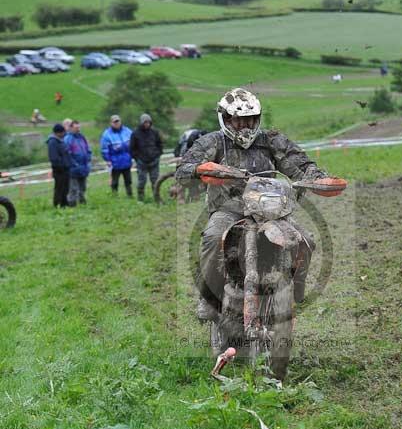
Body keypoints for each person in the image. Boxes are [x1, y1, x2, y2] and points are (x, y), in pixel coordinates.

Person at [175, 87, 345, 322]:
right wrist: (199, 169)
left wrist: (318, 179)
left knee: (306, 240)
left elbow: (300, 164)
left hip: (271, 210)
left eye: (251, 119)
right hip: (229, 209)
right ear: (226, 119)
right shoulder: (212, 142)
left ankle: (296, 290)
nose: (245, 125)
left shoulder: (272, 140)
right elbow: (183, 169)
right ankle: (209, 298)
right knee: (213, 239)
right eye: (239, 120)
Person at [130, 113, 163, 201]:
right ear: (141, 123)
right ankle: (141, 199)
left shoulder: (154, 132)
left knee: (155, 181)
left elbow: (160, 144)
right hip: (141, 162)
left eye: (148, 122)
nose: (147, 124)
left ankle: (157, 198)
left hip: (154, 161)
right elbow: (132, 148)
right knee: (142, 181)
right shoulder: (135, 133)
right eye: (145, 122)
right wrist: (137, 159)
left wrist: (158, 155)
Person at [100, 114, 133, 196]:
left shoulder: (127, 131)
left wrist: (133, 155)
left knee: (128, 181)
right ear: (111, 123)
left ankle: (130, 195)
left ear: (120, 121)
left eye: (118, 121)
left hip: (127, 161)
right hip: (115, 163)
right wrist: (108, 160)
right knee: (114, 182)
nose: (117, 123)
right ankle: (114, 196)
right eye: (115, 122)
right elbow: (104, 150)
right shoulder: (106, 134)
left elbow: (134, 143)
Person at [64, 120, 92, 206]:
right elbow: (67, 153)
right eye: (76, 127)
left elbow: (88, 149)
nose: (78, 129)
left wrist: (88, 159)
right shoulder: (68, 139)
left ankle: (82, 202)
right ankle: (72, 204)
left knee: (83, 187)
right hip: (74, 168)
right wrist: (74, 164)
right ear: (71, 128)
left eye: (79, 127)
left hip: (84, 166)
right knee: (73, 188)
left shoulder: (82, 137)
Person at [46, 123, 70, 208]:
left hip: (65, 168)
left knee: (65, 188)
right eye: (63, 132)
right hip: (59, 170)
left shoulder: (60, 141)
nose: (64, 134)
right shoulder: (52, 142)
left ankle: (64, 203)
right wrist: (62, 166)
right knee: (59, 188)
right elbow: (54, 157)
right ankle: (57, 204)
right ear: (58, 133)